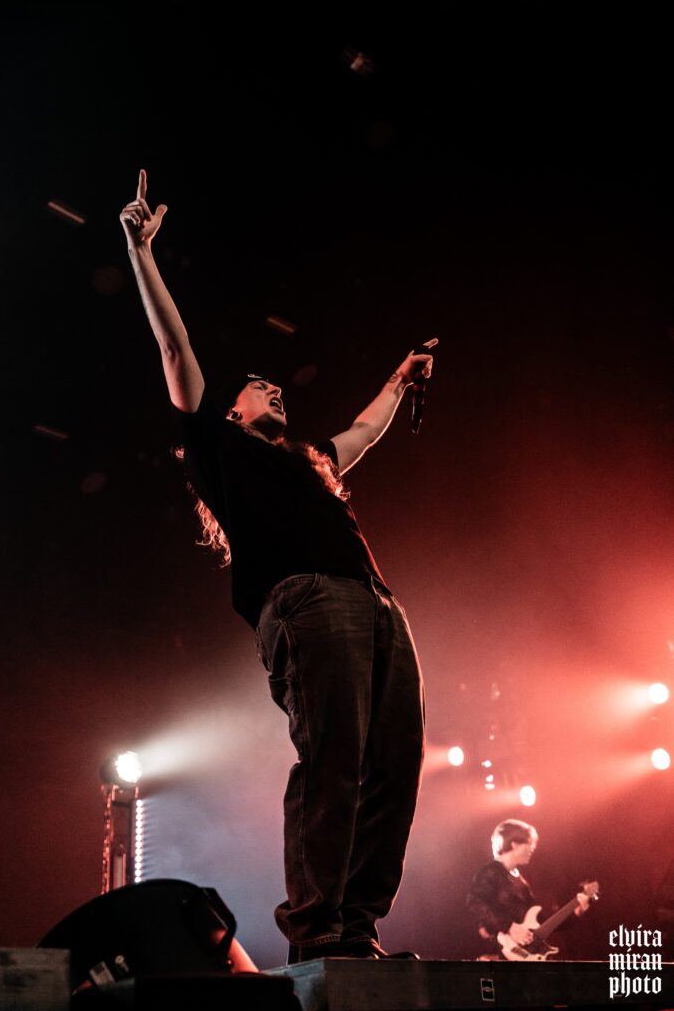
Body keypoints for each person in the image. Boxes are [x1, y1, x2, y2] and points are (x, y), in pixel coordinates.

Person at [120, 170, 436, 964]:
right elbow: (174, 346)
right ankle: (317, 930)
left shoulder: (310, 461)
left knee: (394, 763)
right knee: (334, 757)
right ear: (233, 412)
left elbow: (363, 431)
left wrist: (398, 380)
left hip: (376, 603)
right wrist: (141, 254)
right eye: (258, 388)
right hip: (306, 602)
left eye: (276, 387)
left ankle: (356, 926)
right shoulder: (217, 447)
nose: (273, 390)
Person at [466, 819, 591, 957]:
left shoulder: (519, 879)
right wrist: (509, 926)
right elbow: (475, 902)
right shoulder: (491, 872)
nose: (533, 848)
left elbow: (541, 922)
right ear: (514, 844)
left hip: (524, 954)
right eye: (529, 843)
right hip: (500, 952)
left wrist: (575, 913)